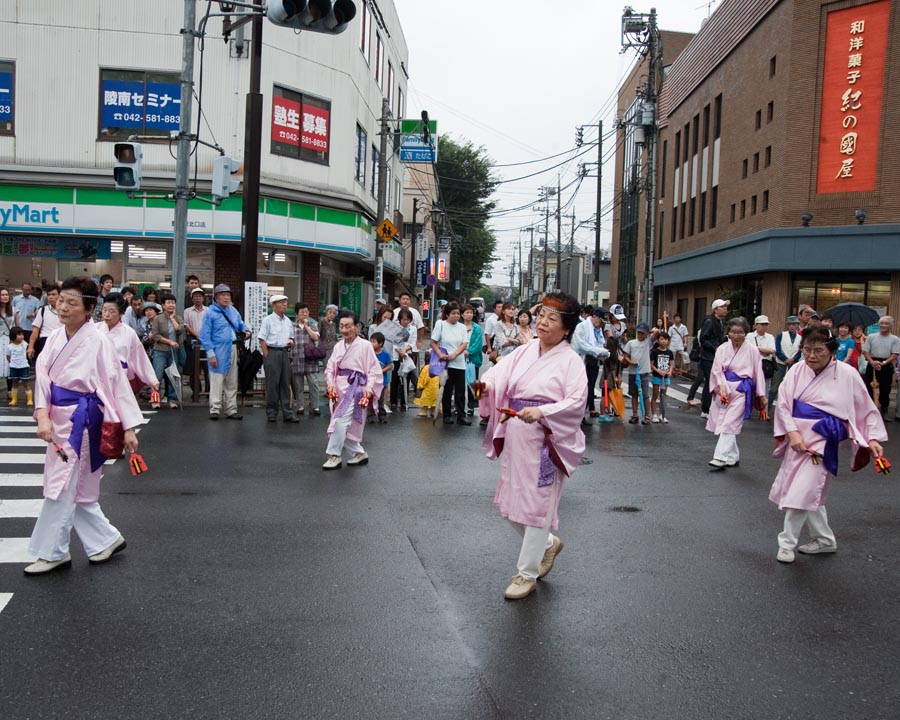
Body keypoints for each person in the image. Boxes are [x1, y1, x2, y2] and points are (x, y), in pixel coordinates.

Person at [23, 276, 143, 576]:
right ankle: (105, 539)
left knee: (63, 485)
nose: (62, 307)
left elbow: (116, 385)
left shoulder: (98, 340)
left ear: (88, 307)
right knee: (72, 486)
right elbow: (42, 379)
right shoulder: (53, 339)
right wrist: (42, 415)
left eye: (71, 302)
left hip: (82, 423)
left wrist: (128, 427)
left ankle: (53, 551)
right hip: (58, 418)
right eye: (60, 301)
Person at [476, 292, 587, 601]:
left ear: (566, 329)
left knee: (538, 507)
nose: (542, 322)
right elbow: (498, 375)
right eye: (542, 316)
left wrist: (544, 412)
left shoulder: (571, 362)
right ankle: (548, 544)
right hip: (516, 437)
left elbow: (576, 402)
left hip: (547, 442)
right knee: (512, 506)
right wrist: (486, 385)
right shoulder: (524, 351)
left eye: (552, 319)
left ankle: (527, 573)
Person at [769, 326, 887, 564]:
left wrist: (872, 438)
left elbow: (865, 408)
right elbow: (783, 404)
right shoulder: (796, 371)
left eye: (818, 350)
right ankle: (824, 540)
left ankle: (786, 543)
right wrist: (792, 434)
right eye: (807, 350)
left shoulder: (848, 374)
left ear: (831, 350)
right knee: (808, 490)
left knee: (801, 491)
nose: (811, 355)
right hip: (798, 439)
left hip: (824, 439)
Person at [322, 313, 383, 470]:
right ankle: (359, 453)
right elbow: (330, 367)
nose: (344, 330)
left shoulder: (365, 345)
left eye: (348, 326)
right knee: (345, 423)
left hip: (356, 388)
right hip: (339, 387)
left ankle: (334, 455)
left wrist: (369, 387)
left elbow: (374, 369)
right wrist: (329, 383)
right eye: (341, 326)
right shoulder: (338, 346)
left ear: (356, 327)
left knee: (340, 421)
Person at [705, 317, 767, 469]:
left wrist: (761, 394)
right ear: (728, 333)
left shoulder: (752, 350)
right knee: (726, 422)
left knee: (730, 422)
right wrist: (721, 388)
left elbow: (758, 372)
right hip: (724, 387)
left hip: (741, 388)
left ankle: (720, 457)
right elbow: (716, 370)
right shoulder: (722, 349)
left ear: (746, 333)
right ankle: (733, 455)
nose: (736, 335)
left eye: (740, 332)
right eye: (733, 332)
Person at [199, 283, 250, 421]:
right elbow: (204, 335)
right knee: (217, 380)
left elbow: (241, 324)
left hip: (234, 348)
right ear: (216, 298)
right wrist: (211, 354)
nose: (226, 298)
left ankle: (231, 410)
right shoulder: (210, 313)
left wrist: (246, 331)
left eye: (228, 295)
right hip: (218, 349)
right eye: (223, 295)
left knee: (232, 381)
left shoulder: (233, 310)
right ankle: (215, 409)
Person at [97, 292, 159, 401]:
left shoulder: (129, 333)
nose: (106, 314)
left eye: (111, 311)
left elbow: (139, 357)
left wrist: (151, 379)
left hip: (120, 378)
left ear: (121, 313)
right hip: (98, 377)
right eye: (104, 310)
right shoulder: (94, 330)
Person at [258, 294, 298, 423]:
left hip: (285, 352)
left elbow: (291, 337)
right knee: (272, 384)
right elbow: (262, 339)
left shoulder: (288, 321)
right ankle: (272, 412)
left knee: (285, 383)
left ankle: (287, 412)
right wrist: (267, 356)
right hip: (272, 352)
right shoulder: (267, 320)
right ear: (274, 305)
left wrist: (291, 341)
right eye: (281, 302)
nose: (285, 305)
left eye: (286, 302)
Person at [431, 301, 470, 425]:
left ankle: (461, 415)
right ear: (447, 314)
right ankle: (447, 414)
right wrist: (440, 354)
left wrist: (455, 354)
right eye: (453, 313)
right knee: (446, 390)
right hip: (445, 363)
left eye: (458, 314)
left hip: (459, 363)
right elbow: (433, 342)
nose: (456, 316)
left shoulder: (462, 327)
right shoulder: (441, 325)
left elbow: (464, 343)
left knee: (460, 391)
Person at [572, 307, 610, 422]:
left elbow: (600, 344)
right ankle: (577, 416)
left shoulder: (597, 330)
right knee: (580, 390)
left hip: (593, 361)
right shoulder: (582, 327)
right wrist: (599, 351)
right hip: (581, 361)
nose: (601, 324)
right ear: (594, 317)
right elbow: (581, 345)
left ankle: (582, 415)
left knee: (589, 389)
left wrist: (602, 353)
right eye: (601, 321)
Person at [149, 293, 185, 410]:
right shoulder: (157, 318)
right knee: (157, 375)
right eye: (168, 303)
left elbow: (179, 330)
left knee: (173, 376)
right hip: (160, 350)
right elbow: (155, 335)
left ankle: (172, 399)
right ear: (163, 305)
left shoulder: (178, 318)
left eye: (173, 303)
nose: (171, 305)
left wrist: (172, 318)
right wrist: (169, 342)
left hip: (174, 351)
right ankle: (155, 400)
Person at [862, 316, 899, 423]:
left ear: (891, 325)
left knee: (885, 389)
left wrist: (883, 363)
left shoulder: (895, 339)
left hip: (886, 364)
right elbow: (866, 351)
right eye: (881, 323)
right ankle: (870, 411)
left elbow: (895, 354)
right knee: (869, 388)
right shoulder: (871, 336)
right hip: (872, 363)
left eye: (886, 323)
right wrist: (872, 362)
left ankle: (884, 412)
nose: (883, 325)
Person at [698, 299, 729, 418]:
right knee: (710, 382)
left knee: (714, 382)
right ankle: (705, 409)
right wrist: (714, 348)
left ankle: (709, 408)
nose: (725, 309)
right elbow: (703, 339)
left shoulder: (720, 322)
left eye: (726, 307)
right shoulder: (710, 321)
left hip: (715, 356)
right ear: (716, 309)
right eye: (722, 307)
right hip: (708, 357)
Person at [290, 302, 321, 417]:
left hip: (310, 359)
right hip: (297, 357)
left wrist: (307, 326)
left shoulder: (312, 325)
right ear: (297, 314)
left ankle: (315, 406)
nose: (304, 314)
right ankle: (300, 405)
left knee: (313, 383)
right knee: (298, 385)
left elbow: (315, 337)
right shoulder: (292, 326)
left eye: (306, 311)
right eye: (302, 312)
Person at [622, 322, 652, 425]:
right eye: (639, 333)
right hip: (633, 372)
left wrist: (650, 331)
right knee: (634, 395)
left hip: (644, 373)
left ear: (646, 333)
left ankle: (647, 415)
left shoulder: (648, 342)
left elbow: (656, 333)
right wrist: (630, 362)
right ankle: (635, 415)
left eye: (643, 333)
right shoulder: (631, 343)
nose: (640, 335)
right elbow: (625, 355)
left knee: (645, 395)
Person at [770, 315, 802, 408]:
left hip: (793, 364)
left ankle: (790, 408)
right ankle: (766, 410)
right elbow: (778, 349)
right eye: (790, 324)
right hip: (780, 363)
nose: (791, 326)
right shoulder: (781, 335)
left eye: (794, 324)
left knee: (792, 388)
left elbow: (800, 351)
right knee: (774, 388)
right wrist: (785, 359)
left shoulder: (800, 337)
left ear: (797, 325)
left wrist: (793, 359)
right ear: (787, 325)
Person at [26, 285, 61, 364]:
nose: (51, 297)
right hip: (45, 342)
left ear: (60, 295)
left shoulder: (66, 310)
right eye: (49, 295)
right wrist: (30, 347)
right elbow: (35, 330)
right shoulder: (43, 310)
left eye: (53, 294)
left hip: (61, 342)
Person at [390, 308, 415, 411]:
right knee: (395, 379)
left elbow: (413, 342)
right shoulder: (395, 328)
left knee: (406, 379)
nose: (406, 322)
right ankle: (393, 401)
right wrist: (399, 350)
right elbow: (393, 342)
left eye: (408, 319)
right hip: (396, 356)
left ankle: (404, 402)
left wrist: (405, 350)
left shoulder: (413, 329)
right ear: (400, 319)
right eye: (403, 319)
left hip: (407, 355)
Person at [183, 287, 208, 391]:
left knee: (207, 367)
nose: (198, 298)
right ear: (192, 298)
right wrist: (197, 335)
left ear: (203, 298)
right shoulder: (187, 311)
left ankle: (208, 391)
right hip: (192, 339)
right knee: (194, 368)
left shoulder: (209, 310)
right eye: (195, 296)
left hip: (206, 340)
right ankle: (196, 391)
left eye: (200, 296)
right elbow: (186, 325)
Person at [461, 304, 484, 415]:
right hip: (459, 358)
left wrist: (468, 352)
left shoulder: (477, 328)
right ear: (462, 314)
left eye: (471, 312)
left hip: (473, 359)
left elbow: (478, 345)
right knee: (460, 383)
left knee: (473, 381)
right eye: (467, 312)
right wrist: (461, 351)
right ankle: (459, 406)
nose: (469, 315)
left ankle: (472, 406)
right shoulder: (458, 326)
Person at [750, 314, 776, 403]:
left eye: (766, 324)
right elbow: (748, 350)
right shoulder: (749, 336)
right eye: (762, 324)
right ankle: (748, 412)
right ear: (756, 325)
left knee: (765, 390)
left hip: (765, 366)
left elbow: (772, 350)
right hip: (751, 365)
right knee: (751, 388)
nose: (764, 326)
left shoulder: (770, 337)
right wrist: (763, 350)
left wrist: (757, 348)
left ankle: (764, 414)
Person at [650, 331, 674, 424]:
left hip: (666, 377)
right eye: (661, 339)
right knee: (655, 395)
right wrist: (658, 371)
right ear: (658, 340)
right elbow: (651, 364)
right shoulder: (655, 351)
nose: (663, 341)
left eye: (665, 339)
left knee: (663, 396)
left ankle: (662, 415)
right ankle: (654, 415)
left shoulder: (670, 352)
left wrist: (670, 371)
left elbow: (671, 364)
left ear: (668, 341)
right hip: (657, 376)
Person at [369, 331, 392, 423]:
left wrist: (381, 371)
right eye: (371, 341)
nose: (371, 343)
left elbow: (390, 365)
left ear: (380, 343)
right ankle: (370, 416)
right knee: (370, 399)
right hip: (371, 381)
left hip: (381, 381)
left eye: (374, 341)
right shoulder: (369, 353)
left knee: (381, 399)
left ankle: (382, 416)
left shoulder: (385, 354)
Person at [6, 326, 31, 406]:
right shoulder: (10, 347)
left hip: (24, 366)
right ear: (13, 336)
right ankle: (14, 399)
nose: (22, 336)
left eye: (22, 334)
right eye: (19, 334)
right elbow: (8, 357)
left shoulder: (24, 344)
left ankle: (29, 399)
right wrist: (13, 363)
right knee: (14, 383)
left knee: (25, 383)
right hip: (14, 367)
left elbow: (28, 351)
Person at [0, 287, 14, 402]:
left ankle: (10, 391)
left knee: (10, 365)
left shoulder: (13, 310)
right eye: (2, 295)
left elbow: (17, 327)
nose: (5, 297)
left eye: (6, 295)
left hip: (10, 340)